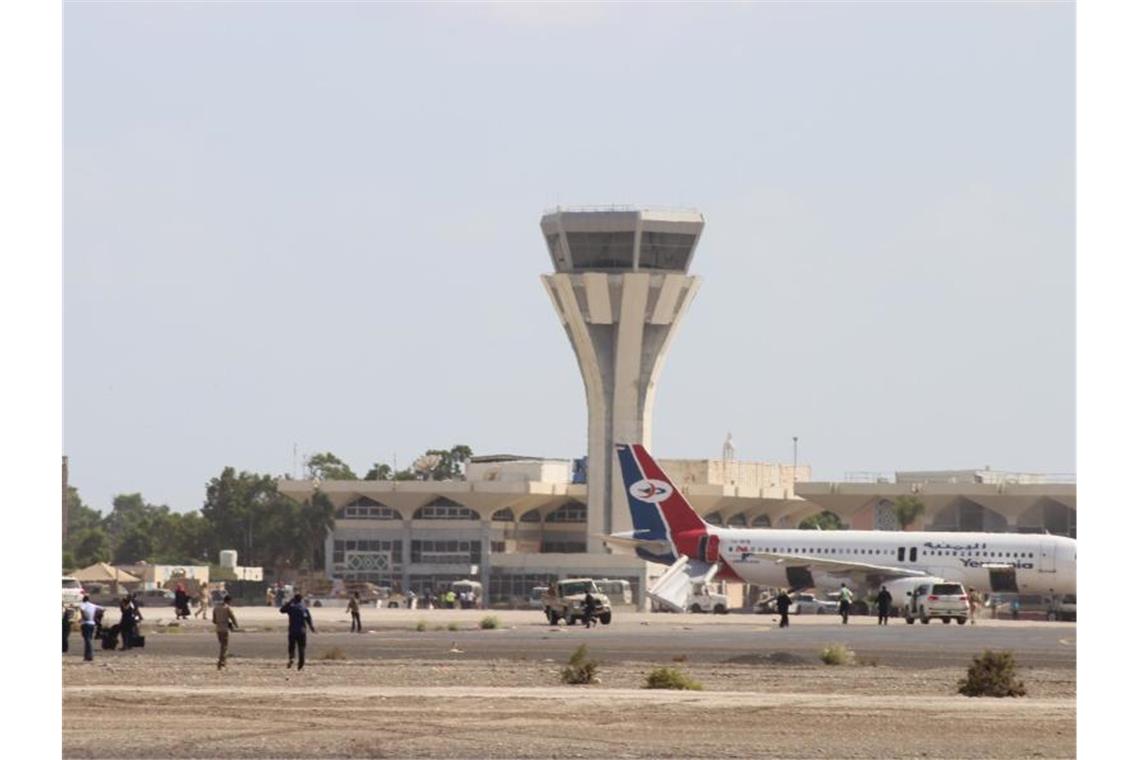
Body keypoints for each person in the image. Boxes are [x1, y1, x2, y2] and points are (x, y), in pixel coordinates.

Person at [280, 593, 316, 670]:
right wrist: (312, 627)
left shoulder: (291, 607)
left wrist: (289, 602)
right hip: (302, 630)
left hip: (292, 630)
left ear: (294, 599)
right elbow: (308, 619)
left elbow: (282, 610)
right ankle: (301, 665)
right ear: (301, 599)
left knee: (291, 646)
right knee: (302, 647)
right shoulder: (304, 608)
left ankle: (291, 658)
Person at [212, 594, 238, 670]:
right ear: (229, 601)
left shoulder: (216, 608)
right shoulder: (227, 608)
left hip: (218, 629)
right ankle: (221, 663)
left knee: (222, 646)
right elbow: (233, 617)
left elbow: (214, 620)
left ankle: (223, 662)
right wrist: (235, 625)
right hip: (224, 629)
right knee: (224, 647)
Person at [77, 595, 103, 662]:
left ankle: (89, 655)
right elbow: (102, 609)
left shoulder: (83, 604)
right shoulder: (92, 605)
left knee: (87, 640)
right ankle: (87, 656)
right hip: (92, 624)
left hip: (86, 624)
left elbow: (82, 610)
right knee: (89, 640)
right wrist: (96, 617)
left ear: (83, 600)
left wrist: (83, 617)